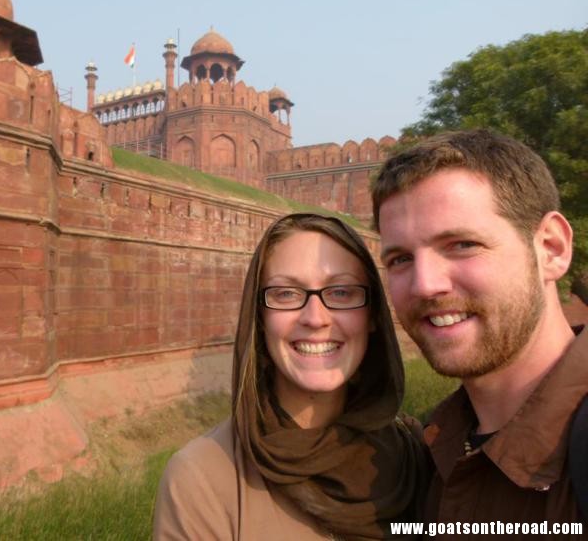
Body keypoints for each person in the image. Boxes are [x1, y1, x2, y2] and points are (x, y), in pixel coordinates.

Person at [153, 213, 428, 540]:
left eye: (341, 292)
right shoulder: (204, 480)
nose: (315, 318)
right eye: (286, 294)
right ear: (259, 318)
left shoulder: (415, 456)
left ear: (372, 316)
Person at [371, 129, 587, 532]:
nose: (425, 285)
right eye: (400, 259)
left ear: (551, 248)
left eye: (462, 244)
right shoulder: (433, 452)